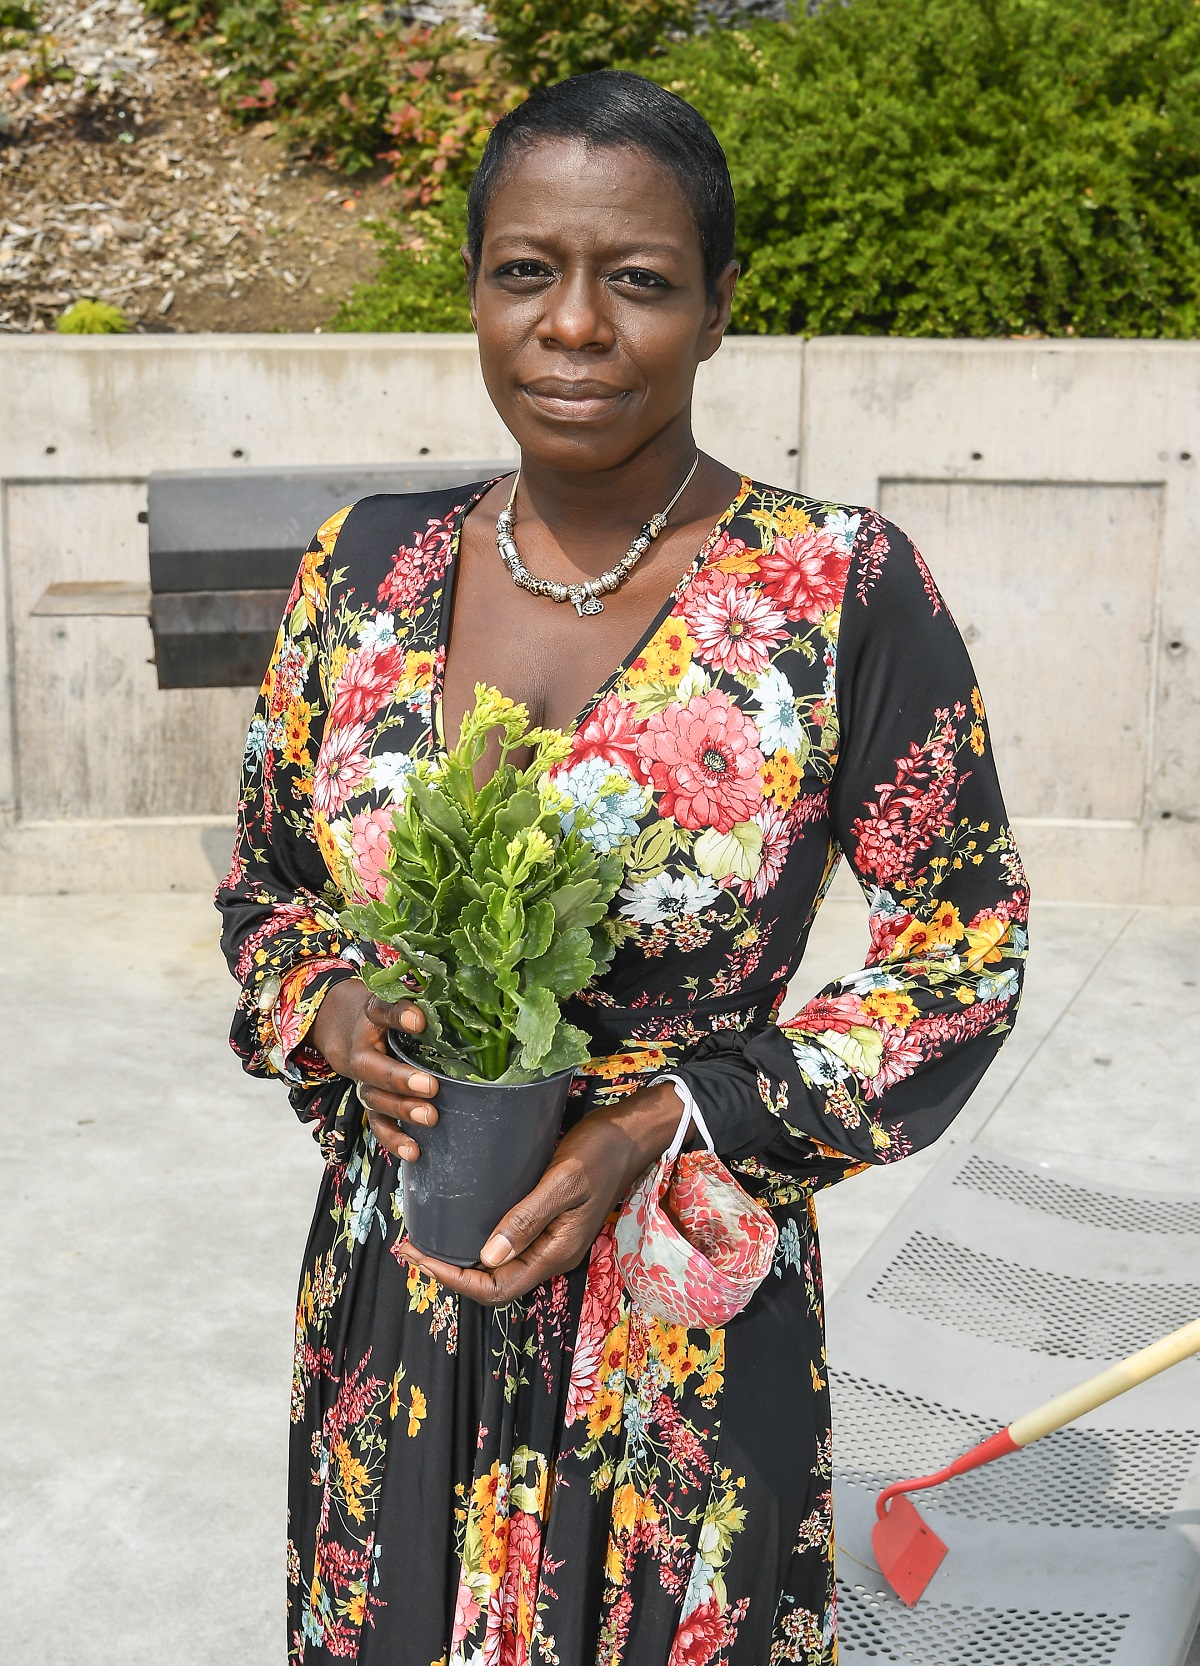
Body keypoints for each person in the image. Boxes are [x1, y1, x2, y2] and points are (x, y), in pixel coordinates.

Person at [217, 69, 1028, 1666]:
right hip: (402, 1298)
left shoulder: (839, 588)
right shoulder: (363, 566)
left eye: (638, 279)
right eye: (526, 270)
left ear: (722, 305)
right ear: (473, 288)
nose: (572, 324)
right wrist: (334, 1008)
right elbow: (266, 887)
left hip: (683, 1316)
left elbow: (963, 951)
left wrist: (668, 1121)